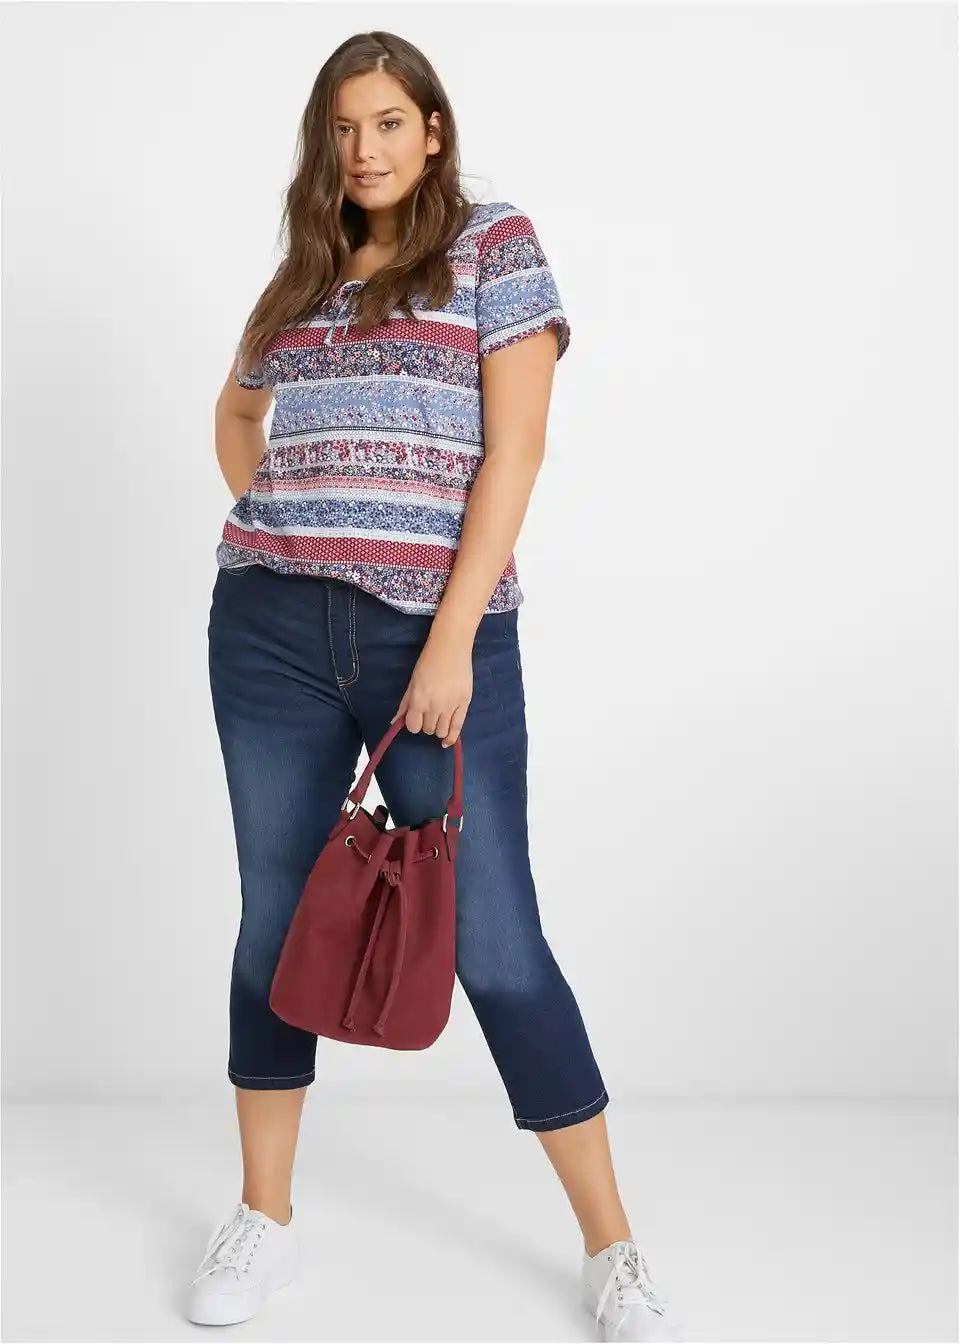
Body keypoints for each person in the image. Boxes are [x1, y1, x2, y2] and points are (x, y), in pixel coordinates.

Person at [193, 29, 682, 1343]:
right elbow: (237, 415)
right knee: (274, 920)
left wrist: (454, 637)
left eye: (390, 122)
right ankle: (262, 1218)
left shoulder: (493, 245)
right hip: (269, 631)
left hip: (435, 642)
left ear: (433, 130)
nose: (365, 149)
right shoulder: (303, 272)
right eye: (344, 127)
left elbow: (515, 451)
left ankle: (614, 1250)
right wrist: (288, 517)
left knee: (496, 942)